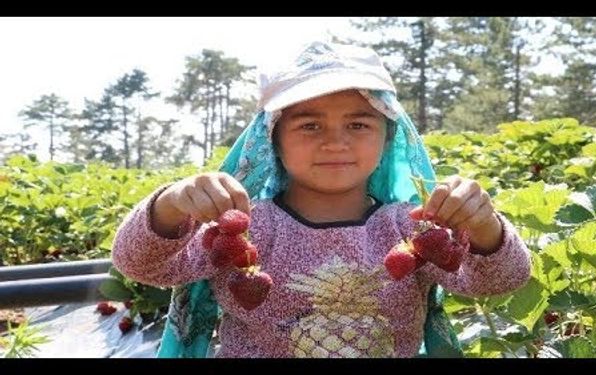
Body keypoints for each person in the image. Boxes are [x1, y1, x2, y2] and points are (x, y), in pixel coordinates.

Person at [111, 40, 531, 358]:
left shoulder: (413, 228)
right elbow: (143, 264)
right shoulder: (242, 228)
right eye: (310, 126)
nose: (335, 142)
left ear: (388, 140)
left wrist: (483, 226)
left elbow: (497, 280)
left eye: (358, 124)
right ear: (271, 141)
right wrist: (171, 204)